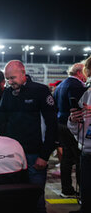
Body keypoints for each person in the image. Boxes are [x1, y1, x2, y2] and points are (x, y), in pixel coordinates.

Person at [0, 60, 58, 213]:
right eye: (7, 79)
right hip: (12, 156)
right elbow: (0, 120)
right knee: (15, 200)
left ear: (23, 73)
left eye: (13, 78)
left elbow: (52, 126)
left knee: (36, 201)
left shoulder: (40, 91)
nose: (10, 82)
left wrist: (44, 155)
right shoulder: (8, 93)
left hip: (34, 156)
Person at [54, 62, 87, 198]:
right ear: (79, 72)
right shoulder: (76, 85)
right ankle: (83, 191)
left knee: (67, 158)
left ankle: (66, 189)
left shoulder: (61, 85)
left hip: (61, 123)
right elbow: (79, 107)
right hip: (72, 125)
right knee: (79, 158)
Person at [68, 55, 91, 213]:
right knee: (86, 190)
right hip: (87, 151)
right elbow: (78, 128)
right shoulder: (88, 93)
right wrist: (73, 120)